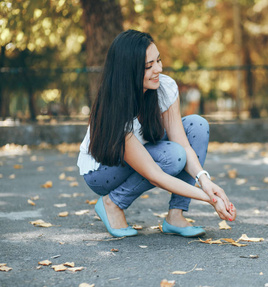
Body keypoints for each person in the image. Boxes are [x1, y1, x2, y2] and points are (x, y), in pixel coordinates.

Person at [77, 29, 236, 238]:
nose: (158, 69)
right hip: (103, 171)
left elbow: (185, 144)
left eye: (158, 60)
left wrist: (206, 181)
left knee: (196, 125)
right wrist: (210, 199)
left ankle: (176, 216)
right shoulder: (115, 110)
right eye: (148, 66)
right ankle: (112, 203)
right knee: (173, 156)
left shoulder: (164, 87)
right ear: (129, 71)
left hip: (143, 153)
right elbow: (156, 175)